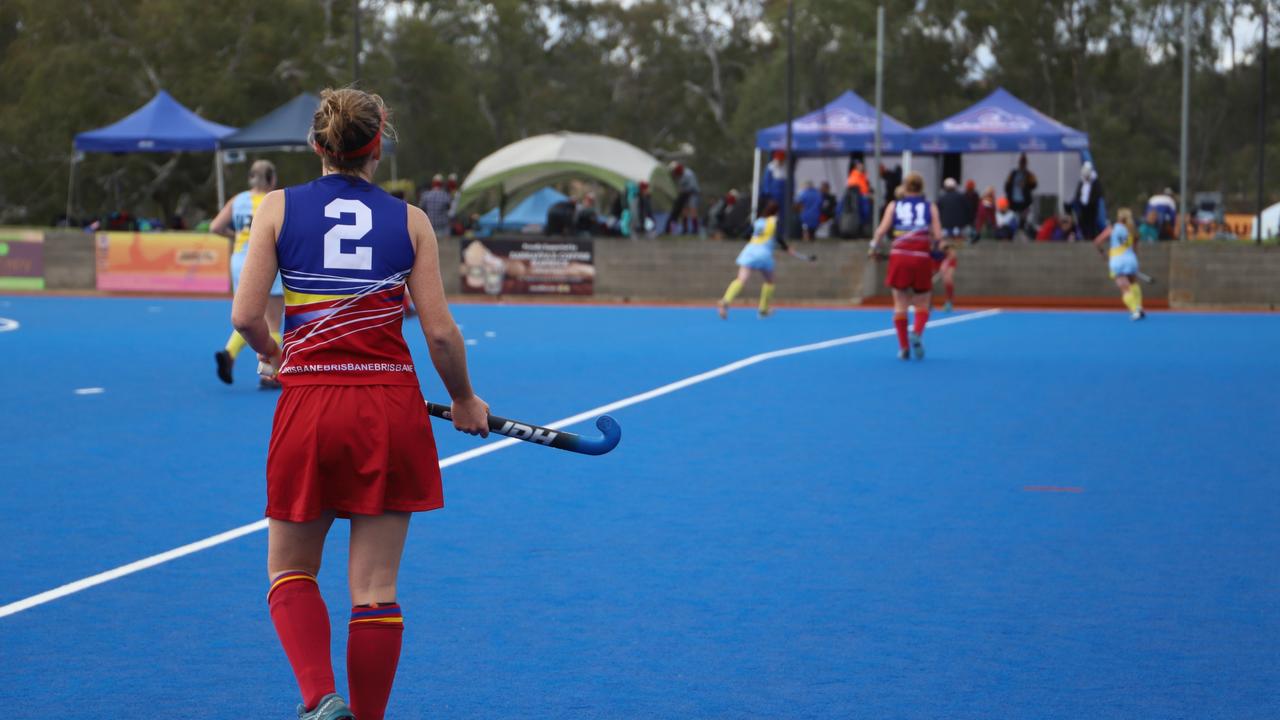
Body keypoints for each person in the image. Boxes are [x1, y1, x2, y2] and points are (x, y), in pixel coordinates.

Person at [230, 87, 490, 720]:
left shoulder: (276, 209)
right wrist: (463, 398)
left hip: (310, 404)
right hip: (389, 410)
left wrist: (274, 354)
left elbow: (245, 315)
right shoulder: (411, 221)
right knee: (375, 588)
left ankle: (321, 699)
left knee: (290, 571)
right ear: (378, 148)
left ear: (318, 145)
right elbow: (439, 334)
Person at [211, 159, 283, 388]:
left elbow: (215, 227)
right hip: (265, 261)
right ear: (271, 179)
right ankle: (268, 373)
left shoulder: (238, 200)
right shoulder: (273, 201)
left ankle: (229, 353)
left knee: (248, 314)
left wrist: (236, 237)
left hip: (239, 260)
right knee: (272, 320)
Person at [869, 171, 942, 360]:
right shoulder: (930, 207)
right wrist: (940, 247)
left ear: (905, 187)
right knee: (923, 301)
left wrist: (872, 247)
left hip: (899, 257)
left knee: (900, 303)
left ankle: (903, 348)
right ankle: (916, 332)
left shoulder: (894, 205)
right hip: (920, 256)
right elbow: (938, 236)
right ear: (921, 188)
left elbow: (881, 231)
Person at [717, 200, 815, 319]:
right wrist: (784, 247)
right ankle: (763, 309)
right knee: (769, 281)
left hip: (749, 251)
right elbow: (779, 238)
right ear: (776, 212)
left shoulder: (758, 221)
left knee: (741, 279)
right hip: (763, 254)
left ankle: (725, 301)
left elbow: (746, 235)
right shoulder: (774, 222)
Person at [1093, 207, 1145, 320]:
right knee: (1133, 283)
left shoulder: (1113, 228)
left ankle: (1135, 310)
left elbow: (1097, 242)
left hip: (1117, 260)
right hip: (1131, 259)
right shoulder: (1133, 229)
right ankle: (1139, 307)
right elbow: (1135, 248)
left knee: (1124, 288)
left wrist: (1103, 254)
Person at [1071, 161, 1105, 240]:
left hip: (1092, 206)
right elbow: (1078, 193)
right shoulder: (1081, 182)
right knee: (1083, 222)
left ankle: (1092, 237)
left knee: (1091, 222)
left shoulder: (1095, 182)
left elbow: (1098, 194)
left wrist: (1091, 202)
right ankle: (1085, 236)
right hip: (1083, 207)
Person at [666, 161, 702, 235]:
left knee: (693, 211)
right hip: (685, 195)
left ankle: (695, 230)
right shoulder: (680, 176)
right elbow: (681, 187)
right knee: (684, 212)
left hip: (693, 194)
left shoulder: (688, 174)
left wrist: (683, 192)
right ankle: (685, 230)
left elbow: (692, 186)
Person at [1004, 152, 1038, 224]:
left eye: (1024, 163)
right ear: (1019, 163)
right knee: (1013, 219)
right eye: (1021, 163)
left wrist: (1026, 185)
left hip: (1024, 202)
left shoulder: (1029, 174)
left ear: (1026, 164)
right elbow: (1007, 185)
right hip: (1013, 201)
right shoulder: (1013, 173)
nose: (1022, 165)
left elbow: (1034, 185)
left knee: (1023, 220)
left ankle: (1022, 229)